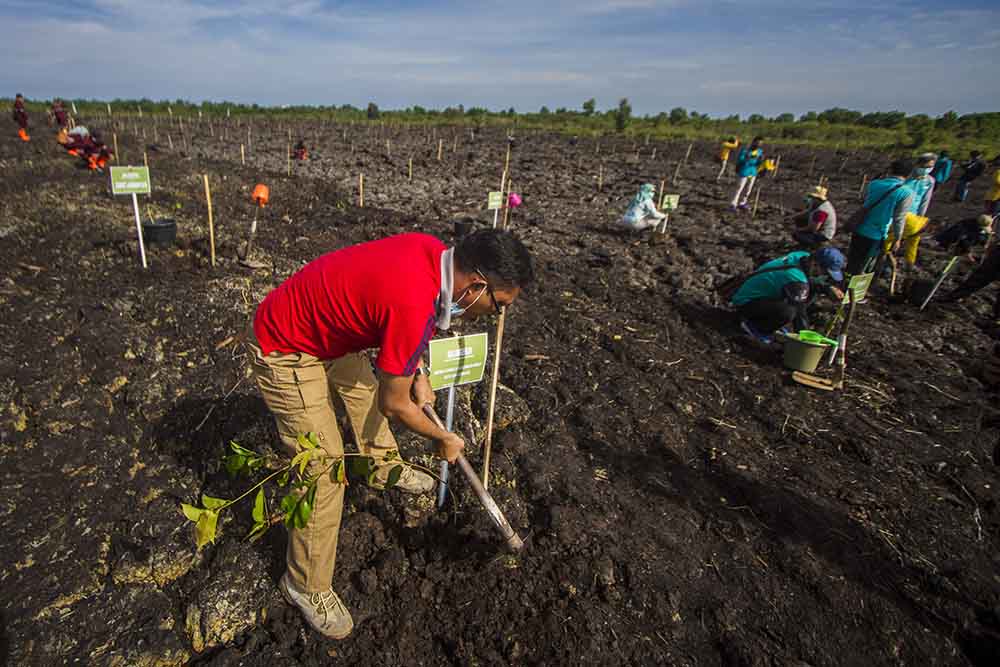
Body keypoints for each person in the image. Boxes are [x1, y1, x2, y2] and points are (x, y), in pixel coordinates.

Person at [245, 230, 534, 639]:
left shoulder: (433, 254)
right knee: (324, 469)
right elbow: (394, 404)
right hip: (285, 346)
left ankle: (384, 468)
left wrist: (416, 370)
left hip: (326, 329)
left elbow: (394, 325)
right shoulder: (414, 301)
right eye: (498, 305)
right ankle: (304, 585)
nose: (495, 315)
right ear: (477, 286)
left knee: (364, 391)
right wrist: (441, 436)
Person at [730, 247, 846, 344]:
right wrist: (805, 340)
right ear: (815, 263)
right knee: (788, 311)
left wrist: (826, 288)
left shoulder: (802, 256)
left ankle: (766, 323)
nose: (824, 276)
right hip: (746, 303)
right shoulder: (795, 277)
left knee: (808, 291)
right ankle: (756, 327)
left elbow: (808, 281)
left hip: (756, 295)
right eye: (824, 272)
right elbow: (799, 313)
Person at [846, 159, 915, 276]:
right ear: (908, 174)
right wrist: (898, 238)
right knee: (865, 265)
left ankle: (845, 282)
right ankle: (854, 290)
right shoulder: (906, 192)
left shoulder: (875, 184)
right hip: (877, 234)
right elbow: (899, 218)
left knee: (853, 260)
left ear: (891, 170)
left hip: (859, 228)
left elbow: (864, 201)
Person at [883, 155, 937, 281]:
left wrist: (920, 218)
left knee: (907, 241)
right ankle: (884, 262)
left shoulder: (929, 181)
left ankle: (906, 266)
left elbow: (925, 200)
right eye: (925, 166)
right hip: (897, 212)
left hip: (913, 215)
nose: (927, 169)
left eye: (930, 167)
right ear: (918, 164)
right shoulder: (906, 177)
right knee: (890, 238)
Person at [730, 136, 764, 211]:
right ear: (753, 142)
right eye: (757, 143)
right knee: (739, 188)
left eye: (760, 143)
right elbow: (740, 160)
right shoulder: (745, 150)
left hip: (753, 171)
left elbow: (759, 162)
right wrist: (747, 158)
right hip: (744, 171)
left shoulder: (760, 152)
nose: (758, 145)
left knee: (748, 189)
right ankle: (733, 204)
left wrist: (760, 162)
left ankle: (743, 203)